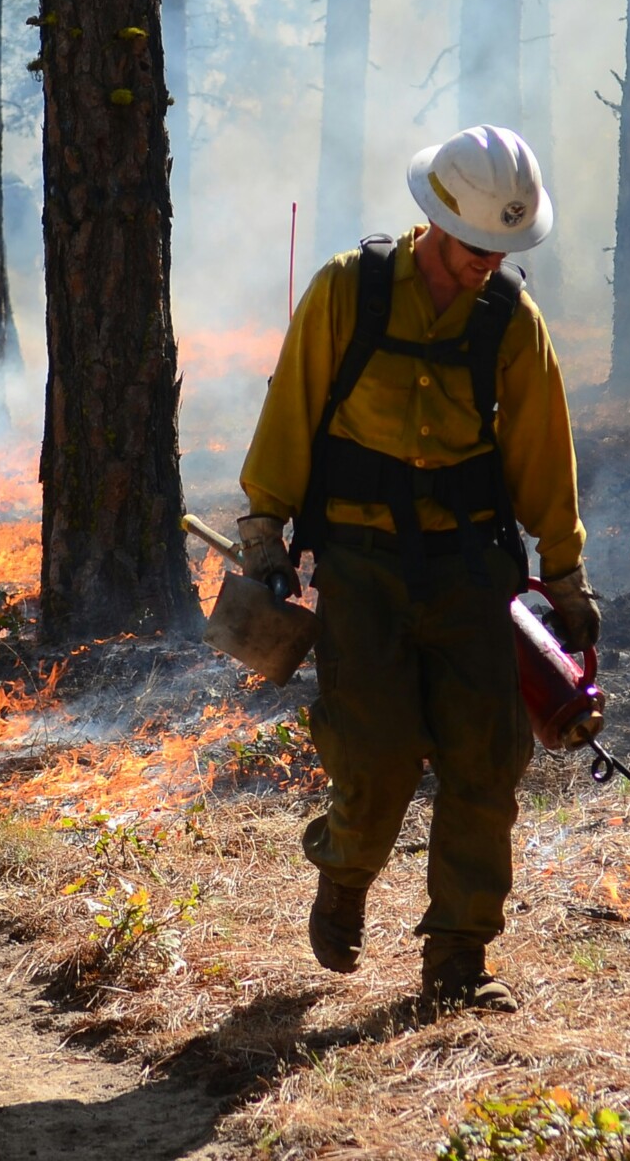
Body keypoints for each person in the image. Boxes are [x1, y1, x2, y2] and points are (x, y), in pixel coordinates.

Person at [236, 124, 597, 1013]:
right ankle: (346, 868)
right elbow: (291, 409)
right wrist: (263, 527)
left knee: (485, 759)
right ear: (437, 221)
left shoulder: (512, 322)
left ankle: (458, 959)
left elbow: (545, 456)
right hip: (362, 569)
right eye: (478, 245)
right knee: (379, 754)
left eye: (504, 247)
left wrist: (566, 576)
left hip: (474, 572)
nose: (488, 262)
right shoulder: (346, 292)